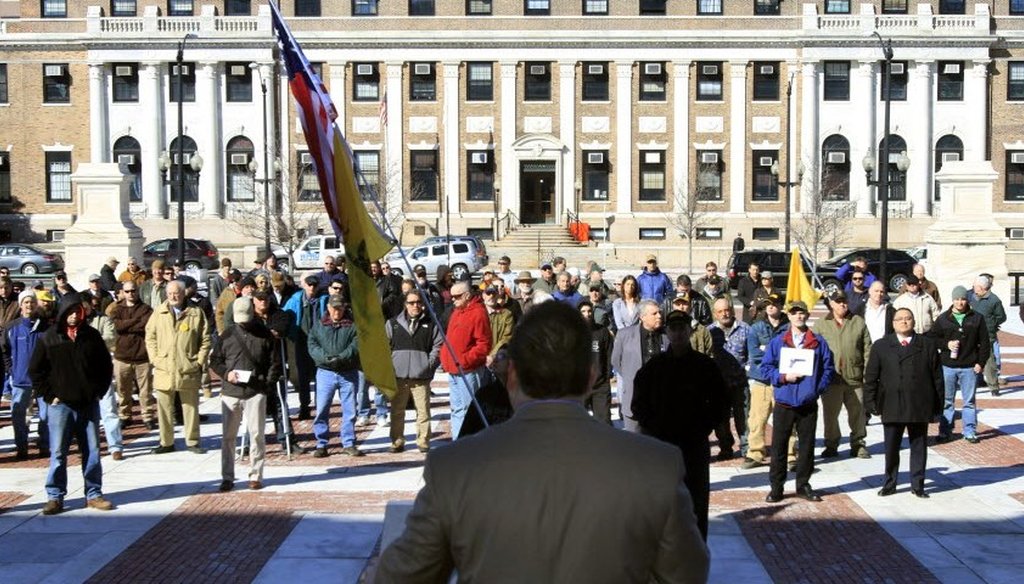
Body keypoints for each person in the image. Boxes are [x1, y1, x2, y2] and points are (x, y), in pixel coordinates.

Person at [375, 301, 710, 583]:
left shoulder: (454, 467)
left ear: (513, 374)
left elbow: (400, 576)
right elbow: (688, 573)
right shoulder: (655, 466)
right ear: (592, 374)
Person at [633, 309, 729, 541]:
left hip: (694, 445)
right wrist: (653, 429)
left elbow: (721, 402)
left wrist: (703, 427)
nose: (677, 333)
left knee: (696, 503)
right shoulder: (654, 367)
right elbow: (638, 405)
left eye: (682, 329)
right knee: (662, 502)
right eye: (673, 328)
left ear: (689, 331)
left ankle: (696, 554)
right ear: (667, 331)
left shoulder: (705, 366)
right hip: (661, 446)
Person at [29, 297, 115, 515]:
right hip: (61, 406)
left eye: (78, 311)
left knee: (93, 451)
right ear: (62, 313)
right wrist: (50, 396)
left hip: (87, 404)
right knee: (59, 452)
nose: (75, 316)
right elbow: (36, 371)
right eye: (70, 312)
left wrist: (98, 392)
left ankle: (94, 493)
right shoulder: (50, 337)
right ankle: (55, 496)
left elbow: (105, 366)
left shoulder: (91, 336)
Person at [864, 308, 943, 498]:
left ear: (914, 321)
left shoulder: (927, 345)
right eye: (899, 319)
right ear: (893, 323)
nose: (904, 322)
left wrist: (937, 406)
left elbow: (937, 378)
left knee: (918, 446)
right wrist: (870, 402)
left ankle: (918, 485)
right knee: (891, 447)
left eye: (908, 318)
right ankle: (890, 483)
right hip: (891, 404)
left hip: (919, 404)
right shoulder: (881, 346)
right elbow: (871, 377)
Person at [761, 301, 834, 503]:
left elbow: (828, 368)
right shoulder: (778, 342)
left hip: (807, 404)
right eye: (794, 313)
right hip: (784, 403)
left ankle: (803, 484)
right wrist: (783, 376)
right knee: (779, 447)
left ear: (807, 315)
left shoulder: (818, 342)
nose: (798, 316)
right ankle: (776, 487)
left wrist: (816, 389)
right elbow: (766, 367)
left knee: (807, 446)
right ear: (789, 316)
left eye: (802, 313)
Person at [210, 297, 282, 492]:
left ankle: (256, 474)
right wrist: (226, 374)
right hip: (231, 392)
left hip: (255, 391)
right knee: (228, 437)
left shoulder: (265, 335)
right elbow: (214, 360)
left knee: (257, 434)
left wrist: (266, 385)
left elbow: (275, 364)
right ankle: (227, 476)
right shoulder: (227, 335)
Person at [145, 280, 211, 454]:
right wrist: (155, 358)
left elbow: (205, 339)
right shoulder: (159, 313)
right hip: (164, 368)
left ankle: (193, 441)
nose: (173, 297)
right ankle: (166, 442)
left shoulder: (196, 313)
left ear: (184, 294)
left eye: (177, 293)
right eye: (170, 293)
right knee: (164, 408)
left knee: (190, 407)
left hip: (187, 366)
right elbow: (150, 337)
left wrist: (199, 360)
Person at [813, 291, 872, 459]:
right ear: (831, 304)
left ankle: (858, 444)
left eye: (844, 301)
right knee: (830, 415)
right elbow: (815, 351)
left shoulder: (858, 322)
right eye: (838, 302)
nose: (842, 304)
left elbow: (868, 349)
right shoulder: (821, 324)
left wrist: (867, 374)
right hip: (831, 379)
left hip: (854, 377)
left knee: (858, 413)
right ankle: (831, 445)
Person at [742, 293, 796, 470]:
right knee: (757, 419)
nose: (771, 307)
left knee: (788, 420)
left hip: (784, 380)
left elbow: (792, 354)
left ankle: (790, 454)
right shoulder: (756, 328)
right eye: (767, 304)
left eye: (774, 303)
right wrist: (776, 354)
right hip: (762, 380)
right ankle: (755, 452)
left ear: (781, 306)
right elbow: (754, 354)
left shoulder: (790, 328)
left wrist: (768, 351)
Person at [930, 286, 989, 443]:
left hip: (969, 366)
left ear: (967, 300)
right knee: (947, 401)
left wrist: (981, 363)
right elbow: (933, 338)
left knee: (969, 401)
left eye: (962, 299)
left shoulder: (977, 318)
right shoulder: (943, 319)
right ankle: (945, 431)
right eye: (957, 299)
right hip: (948, 366)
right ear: (953, 300)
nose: (960, 302)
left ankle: (969, 431)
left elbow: (984, 343)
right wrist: (946, 344)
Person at [387, 290, 443, 453]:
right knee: (397, 411)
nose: (415, 305)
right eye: (411, 302)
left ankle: (423, 441)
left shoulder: (431, 324)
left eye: (419, 302)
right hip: (398, 376)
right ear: (405, 304)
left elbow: (438, 346)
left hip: (421, 377)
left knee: (423, 411)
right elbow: (385, 347)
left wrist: (429, 364)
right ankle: (397, 441)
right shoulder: (392, 324)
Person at [308, 293, 364, 457]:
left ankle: (348, 442)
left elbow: (356, 344)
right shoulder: (319, 325)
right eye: (334, 308)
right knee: (322, 408)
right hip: (325, 372)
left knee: (350, 409)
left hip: (348, 372)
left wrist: (342, 357)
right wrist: (325, 358)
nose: (337, 312)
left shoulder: (352, 325)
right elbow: (312, 344)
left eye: (340, 308)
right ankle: (321, 443)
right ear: (328, 307)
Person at [441, 281, 492, 440]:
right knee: (457, 409)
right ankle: (458, 441)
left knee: (470, 410)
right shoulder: (457, 312)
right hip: (454, 369)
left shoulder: (478, 313)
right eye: (451, 296)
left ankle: (471, 443)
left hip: (468, 370)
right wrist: (444, 356)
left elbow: (484, 344)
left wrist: (466, 360)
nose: (453, 300)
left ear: (467, 295)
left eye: (456, 296)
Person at [1, 291, 49, 459]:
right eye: (26, 302)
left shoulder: (46, 327)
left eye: (32, 302)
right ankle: (21, 446)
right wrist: (11, 369)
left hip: (42, 380)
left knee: (45, 415)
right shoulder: (11, 328)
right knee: (18, 415)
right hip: (20, 380)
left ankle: (45, 445)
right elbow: (4, 350)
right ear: (21, 305)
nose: (29, 305)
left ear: (36, 304)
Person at [611, 300, 666, 433]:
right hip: (634, 398)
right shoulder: (624, 335)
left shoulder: (666, 336)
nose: (659, 316)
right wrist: (630, 376)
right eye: (654, 313)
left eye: (660, 313)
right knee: (635, 444)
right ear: (642, 317)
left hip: (661, 400)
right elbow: (616, 361)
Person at [708, 297, 750, 461]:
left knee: (744, 418)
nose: (724, 314)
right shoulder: (709, 332)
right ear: (715, 314)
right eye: (720, 311)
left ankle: (746, 448)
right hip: (719, 385)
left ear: (732, 310)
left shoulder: (745, 329)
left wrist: (746, 371)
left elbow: (751, 356)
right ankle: (725, 447)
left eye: (727, 310)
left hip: (740, 383)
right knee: (721, 419)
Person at [109, 281, 155, 430]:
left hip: (142, 356)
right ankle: (125, 415)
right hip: (122, 356)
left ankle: (147, 416)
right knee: (123, 389)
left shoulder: (146, 309)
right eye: (127, 291)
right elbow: (117, 326)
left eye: (133, 291)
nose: (130, 294)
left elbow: (146, 325)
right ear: (123, 292)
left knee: (145, 390)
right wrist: (134, 322)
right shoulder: (116, 309)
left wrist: (126, 325)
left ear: (138, 291)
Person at [282, 274, 322, 420]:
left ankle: (320, 406)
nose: (312, 287)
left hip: (319, 344)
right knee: (301, 377)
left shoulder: (323, 300)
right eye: (309, 284)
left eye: (314, 285)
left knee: (320, 377)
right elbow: (284, 316)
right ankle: (304, 406)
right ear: (304, 285)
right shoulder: (294, 300)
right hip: (300, 342)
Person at [969, 274, 1006, 396]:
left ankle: (994, 387)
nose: (973, 288)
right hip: (972, 334)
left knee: (990, 362)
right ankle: (975, 383)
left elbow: (1002, 317)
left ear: (982, 288)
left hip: (987, 335)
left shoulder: (994, 300)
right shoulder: (970, 296)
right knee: (971, 360)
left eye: (975, 286)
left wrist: (991, 324)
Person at [578, 299, 613, 425]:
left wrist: (607, 375)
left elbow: (609, 354)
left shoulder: (602, 331)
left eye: (589, 311)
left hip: (600, 384)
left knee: (604, 421)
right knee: (577, 423)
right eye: (583, 311)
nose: (587, 314)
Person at [482, 286, 514, 361]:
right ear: (483, 295)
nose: (491, 296)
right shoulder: (475, 313)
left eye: (494, 294)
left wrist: (492, 355)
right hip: (479, 357)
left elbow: (506, 337)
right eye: (488, 294)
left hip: (497, 357)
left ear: (498, 295)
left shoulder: (507, 314)